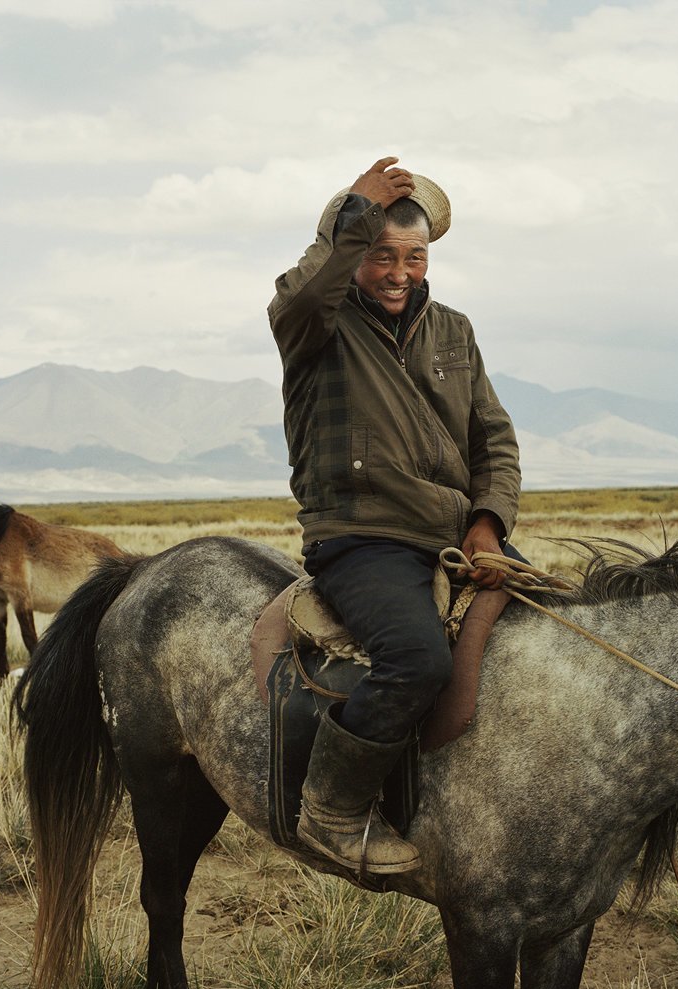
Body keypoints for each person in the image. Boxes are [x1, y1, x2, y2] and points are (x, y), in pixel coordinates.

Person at [268, 156, 521, 876]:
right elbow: (303, 292)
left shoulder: (454, 331)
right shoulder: (314, 327)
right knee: (415, 660)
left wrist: (488, 522)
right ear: (353, 255)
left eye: (414, 256)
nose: (398, 272)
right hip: (363, 538)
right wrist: (356, 208)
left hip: (452, 538)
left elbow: (494, 441)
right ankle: (333, 811)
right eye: (381, 255)